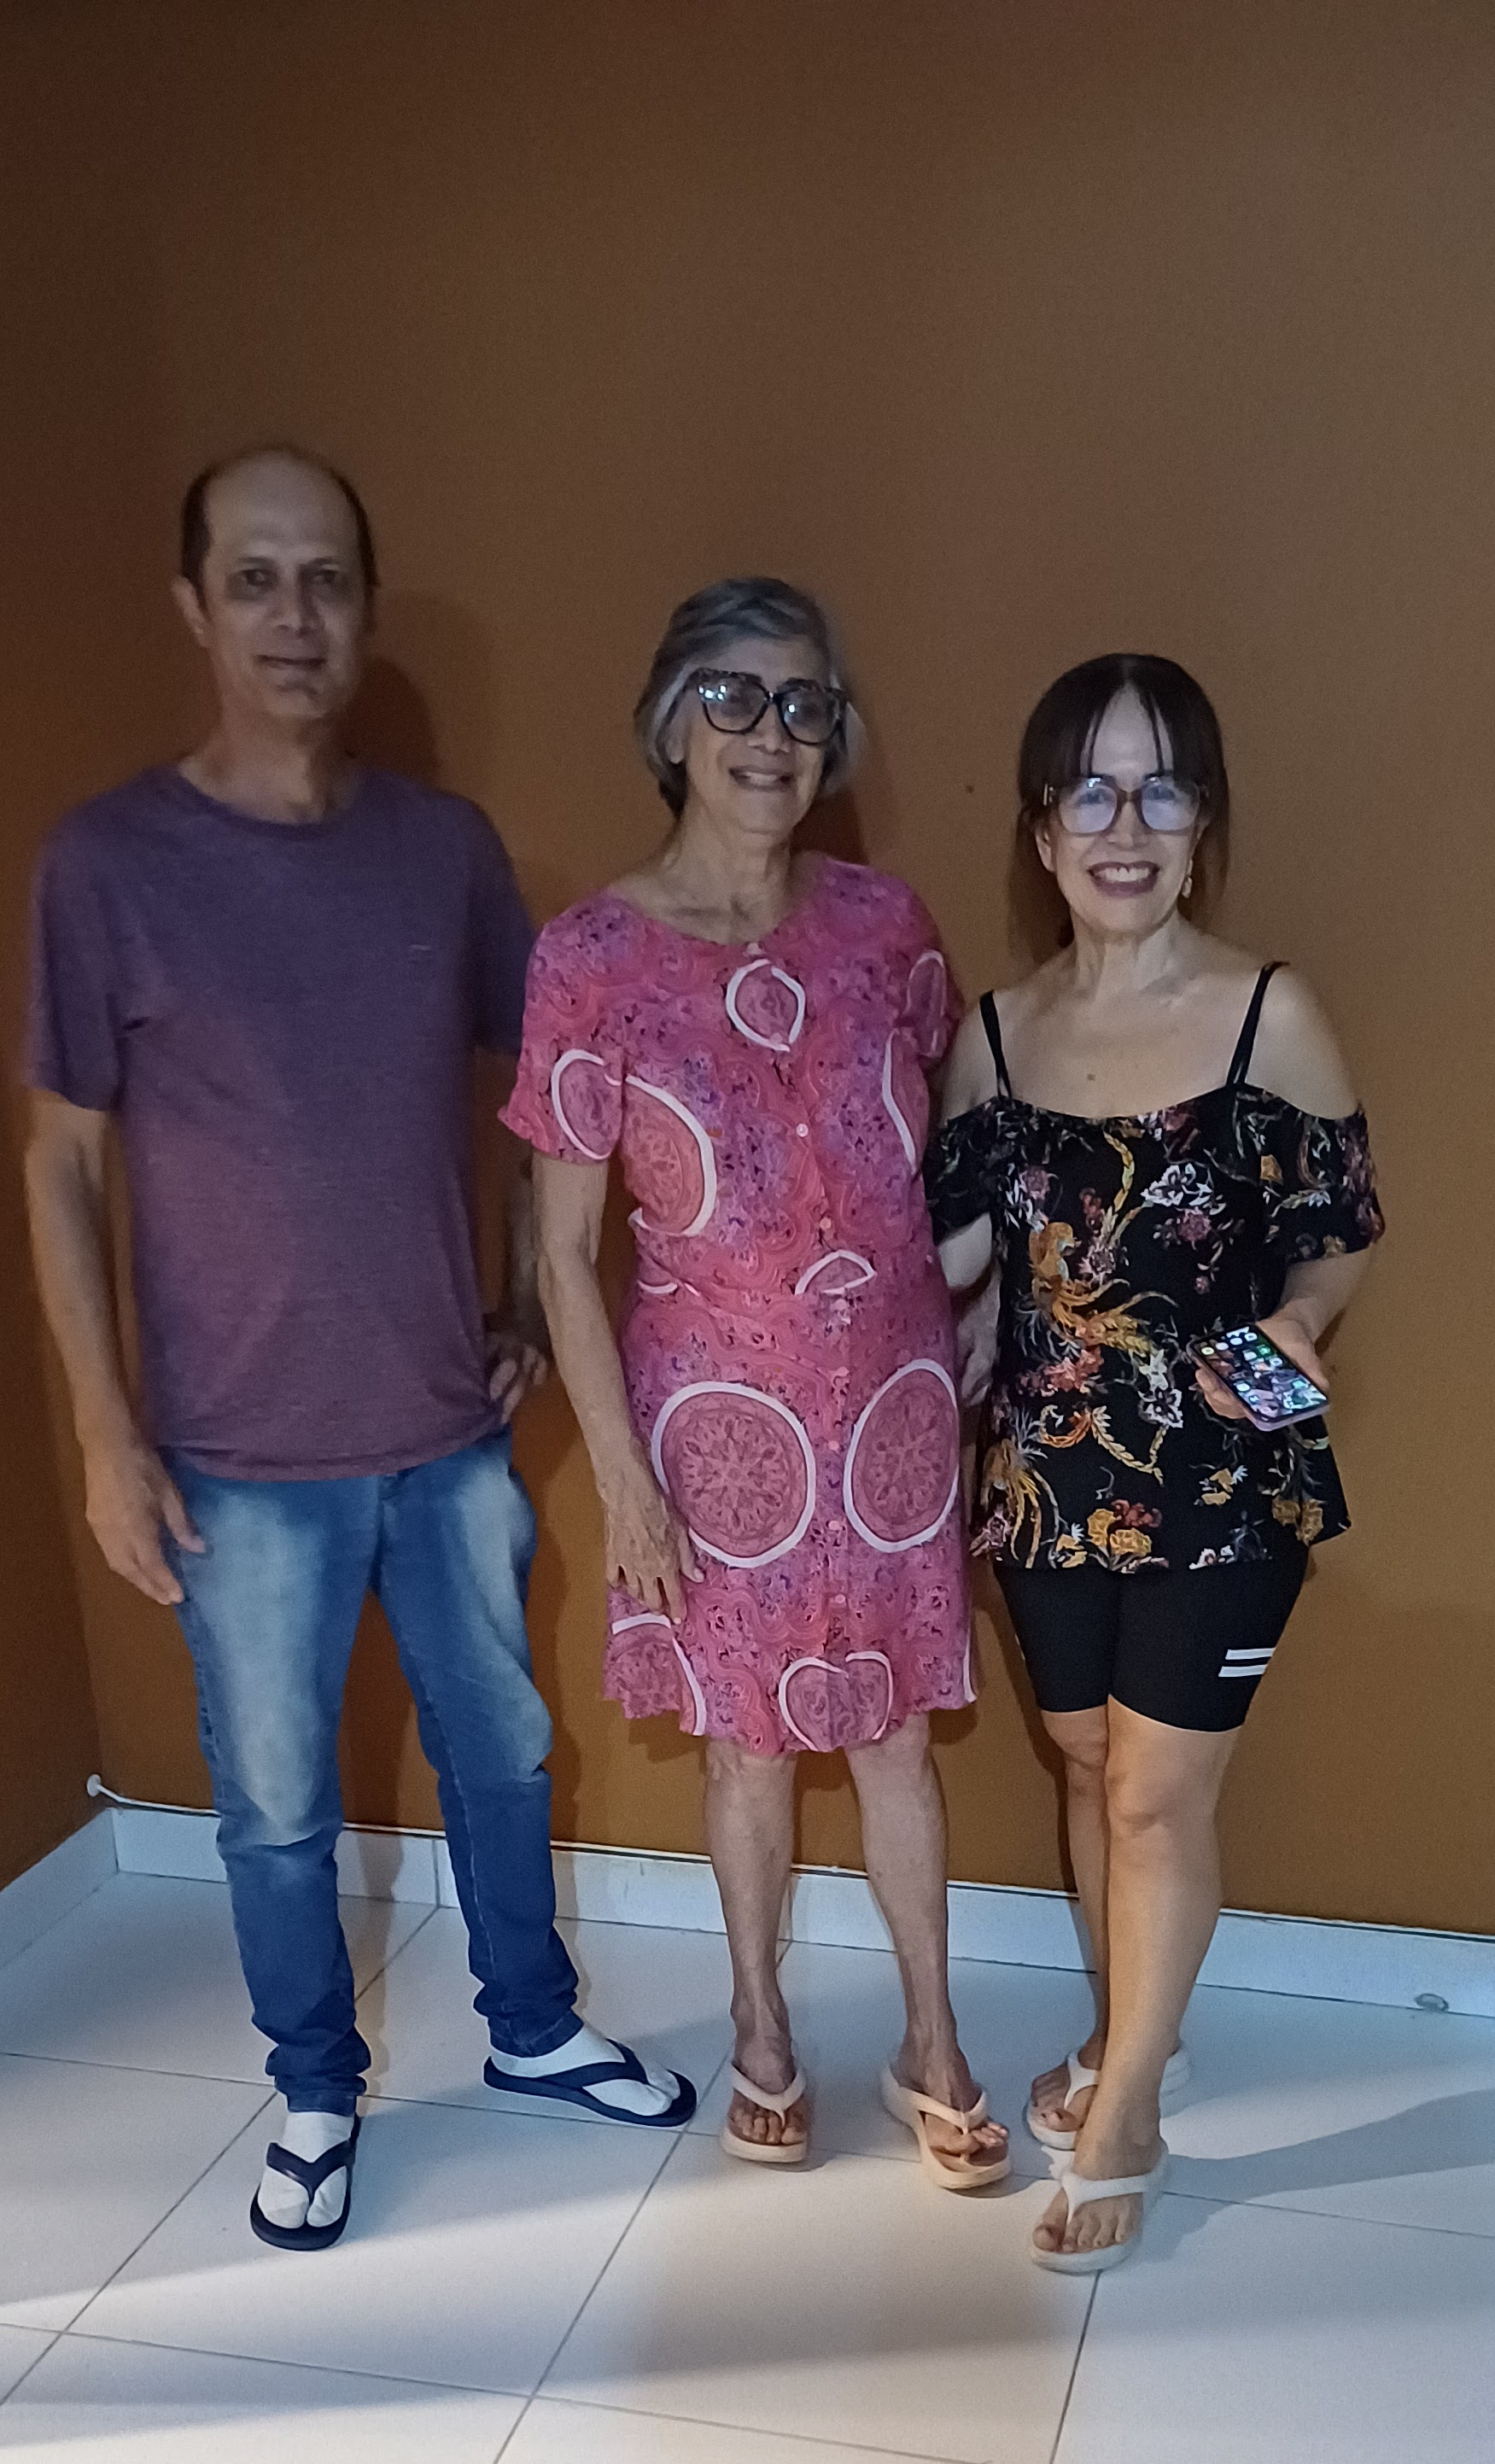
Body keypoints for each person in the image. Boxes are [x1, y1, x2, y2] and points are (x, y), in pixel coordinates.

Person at [24, 445, 692, 2254]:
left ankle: (532, 2030)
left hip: (443, 1428)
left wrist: (521, 1302)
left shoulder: (444, 852)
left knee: (505, 1754)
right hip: (236, 1454)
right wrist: (103, 1435)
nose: (293, 614)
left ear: (366, 607)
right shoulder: (108, 864)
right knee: (273, 1809)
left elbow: (543, 1090)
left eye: (324, 578)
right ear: (196, 607)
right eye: (254, 577)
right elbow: (60, 1160)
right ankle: (316, 2087)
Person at [509, 577, 1007, 2184]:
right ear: (672, 724)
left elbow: (957, 1146)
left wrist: (988, 1303)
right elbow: (560, 1255)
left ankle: (931, 2041)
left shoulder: (887, 926)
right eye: (732, 697)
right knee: (746, 1746)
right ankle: (762, 2031)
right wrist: (626, 1481)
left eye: (804, 702)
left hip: (893, 1409)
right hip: (712, 1429)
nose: (770, 734)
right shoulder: (590, 960)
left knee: (894, 1738)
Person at [928, 652, 1383, 2268]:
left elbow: (1341, 1228)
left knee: (1154, 1794)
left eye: (1162, 789)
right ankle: (1139, 2027)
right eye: (1092, 793)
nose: (1126, 827)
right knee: (1085, 1768)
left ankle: (1126, 2114)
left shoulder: (1272, 1013)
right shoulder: (994, 1037)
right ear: (1043, 832)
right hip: (1047, 1478)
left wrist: (1305, 1317)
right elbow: (961, 1256)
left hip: (1223, 1475)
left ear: (1204, 824)